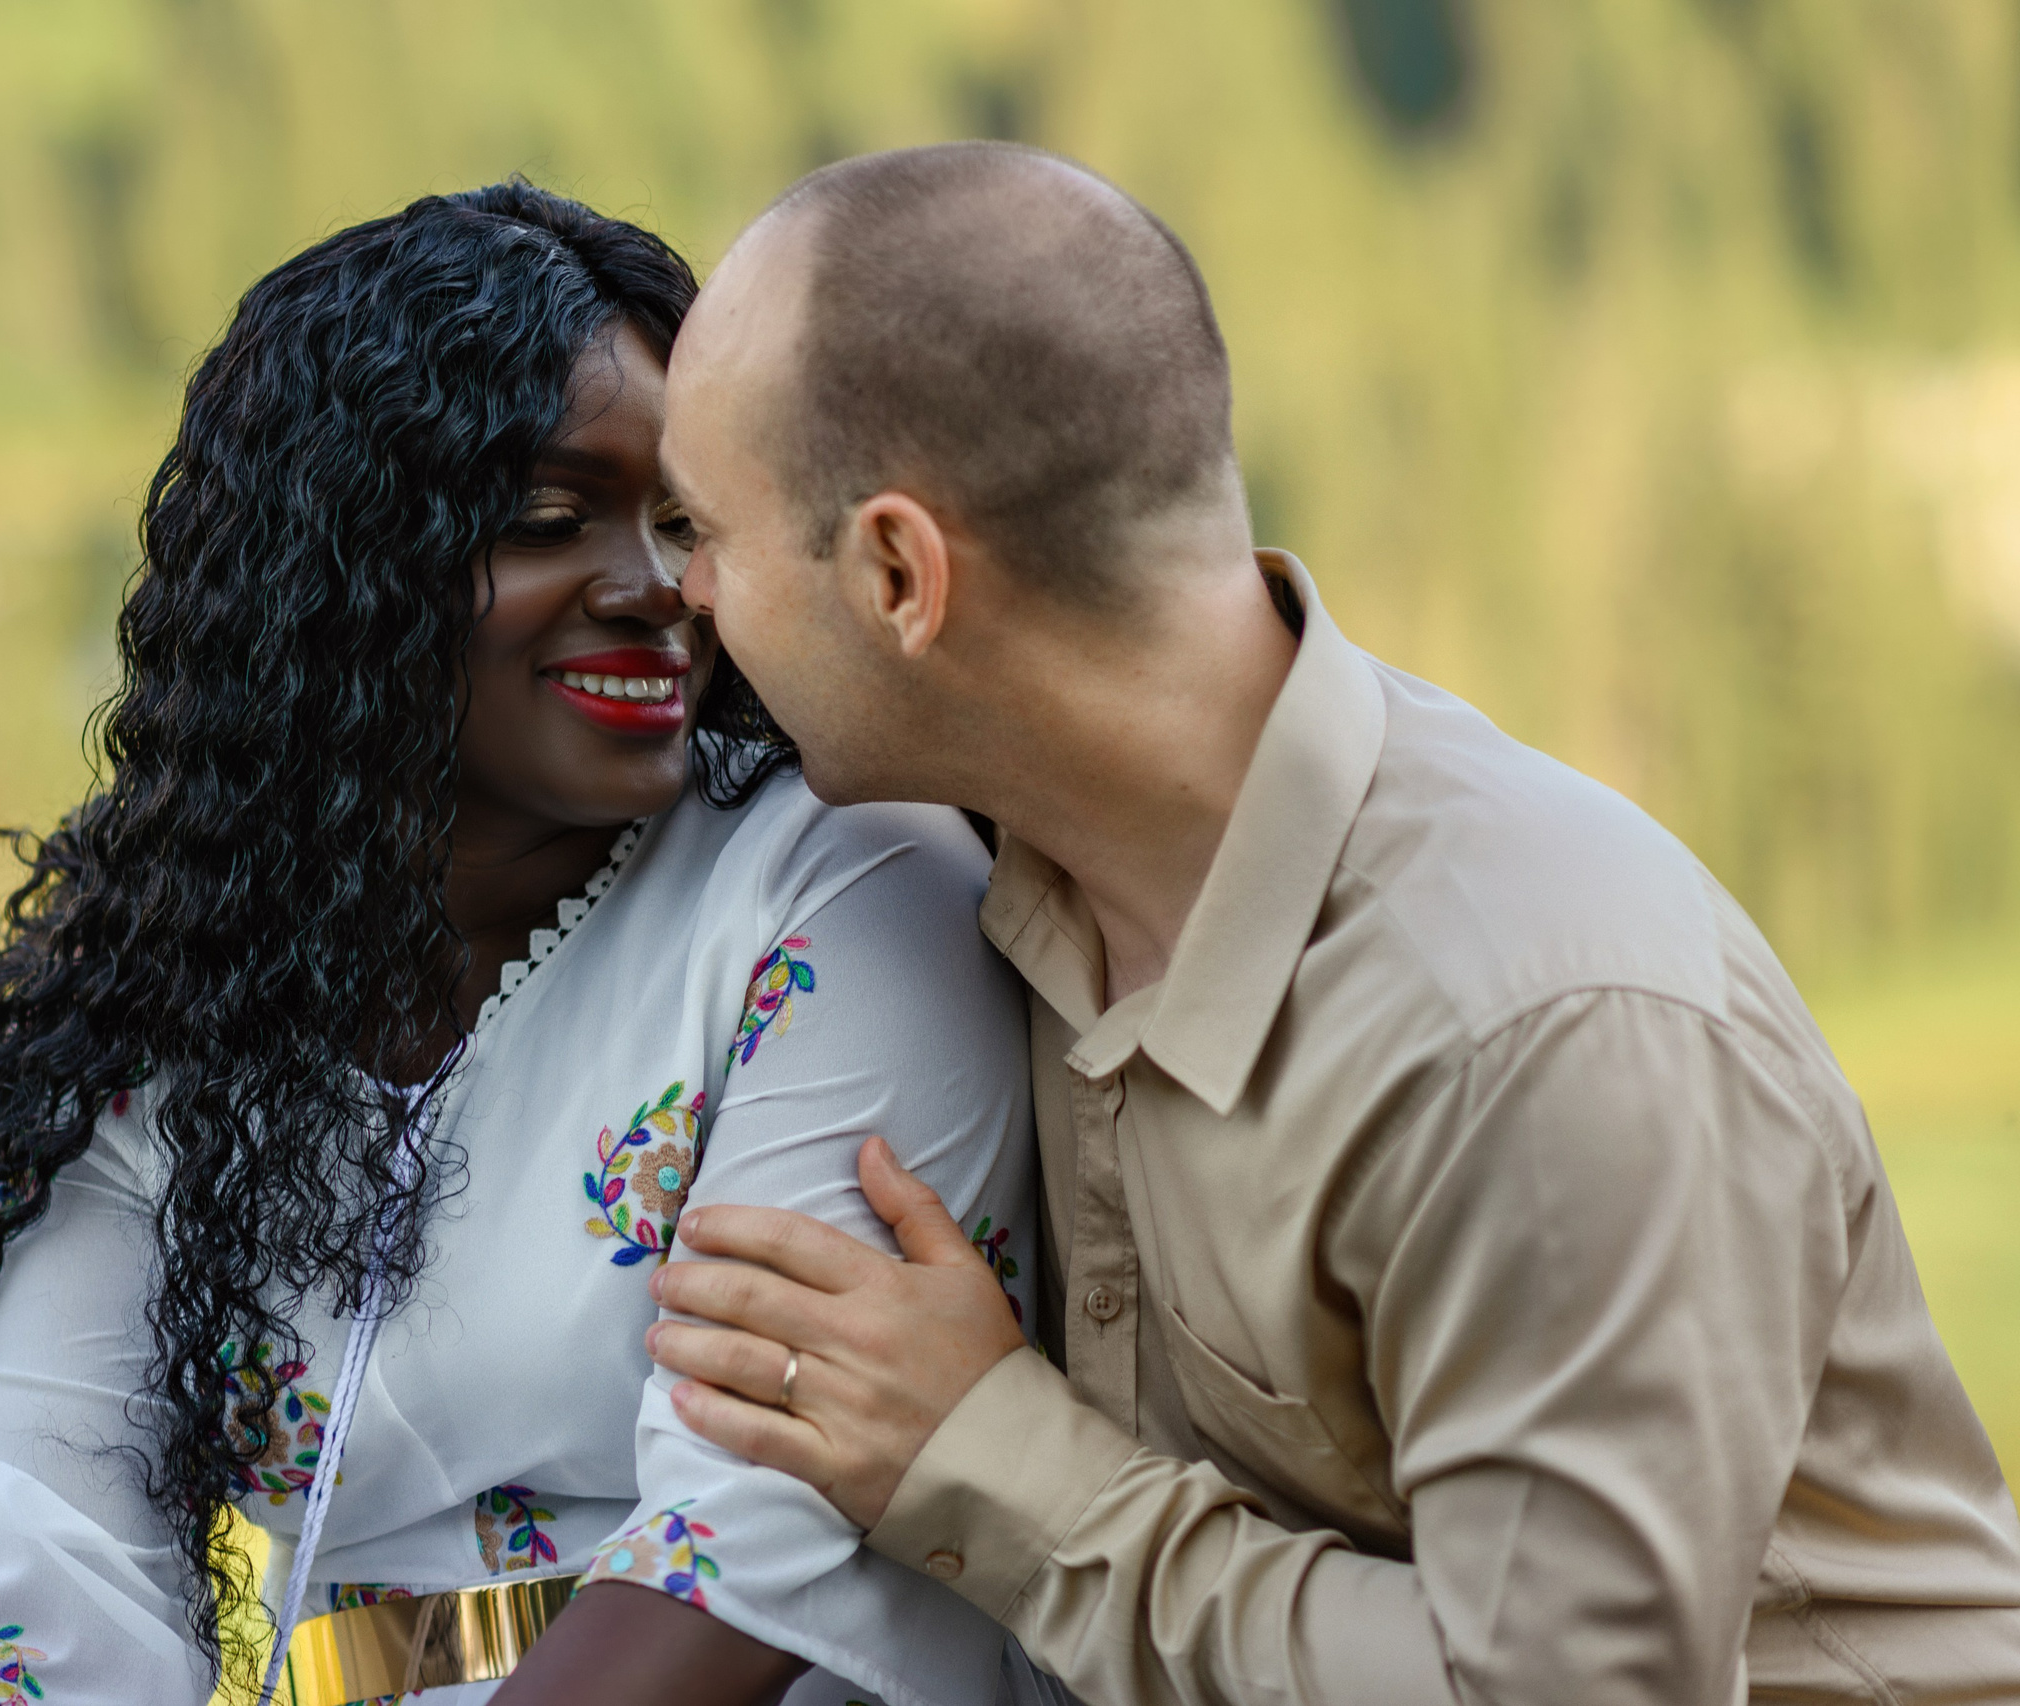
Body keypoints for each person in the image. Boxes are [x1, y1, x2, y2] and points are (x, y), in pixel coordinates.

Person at [644, 141, 2020, 1704]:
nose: (676, 590)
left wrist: (994, 1464)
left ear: (899, 570)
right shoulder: (1009, 880)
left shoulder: (1535, 1027)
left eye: (699, 529)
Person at [0, 181, 1052, 1706]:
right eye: (553, 521)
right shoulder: (168, 993)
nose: (656, 587)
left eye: (683, 518)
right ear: (339, 575)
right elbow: (55, 1556)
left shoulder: (841, 883)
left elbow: (755, 1538)